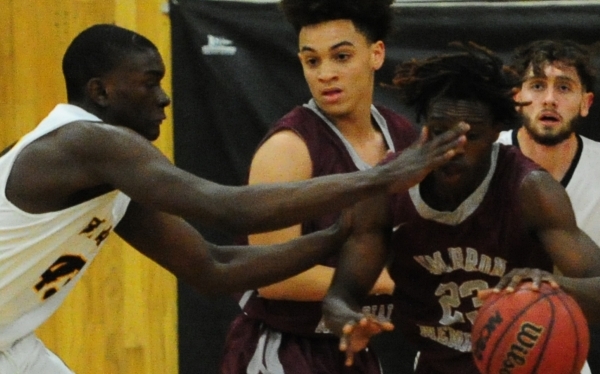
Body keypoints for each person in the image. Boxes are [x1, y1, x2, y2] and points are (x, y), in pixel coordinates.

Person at [0, 24, 470, 373]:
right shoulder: (86, 140)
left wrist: (336, 235)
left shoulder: (106, 175)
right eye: (149, 83)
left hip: (13, 343)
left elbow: (213, 266)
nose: (164, 98)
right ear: (100, 91)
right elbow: (225, 207)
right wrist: (379, 180)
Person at [322, 42, 600, 374]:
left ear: (497, 133)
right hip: (438, 365)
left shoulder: (530, 188)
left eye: (471, 136)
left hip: (531, 365)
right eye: (442, 132)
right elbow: (341, 294)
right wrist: (347, 321)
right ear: (425, 126)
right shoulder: (390, 189)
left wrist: (554, 286)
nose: (454, 148)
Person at [220, 1, 417, 373]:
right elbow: (271, 277)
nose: (326, 73)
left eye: (341, 57)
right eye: (313, 61)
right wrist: (392, 281)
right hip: (283, 349)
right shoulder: (289, 148)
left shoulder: (402, 138)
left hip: (351, 349)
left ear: (376, 54)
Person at [496, 39, 600, 373]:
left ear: (586, 103)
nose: (550, 99)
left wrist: (550, 287)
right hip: (467, 341)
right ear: (517, 97)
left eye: (565, 87)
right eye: (537, 85)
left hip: (560, 349)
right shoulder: (480, 159)